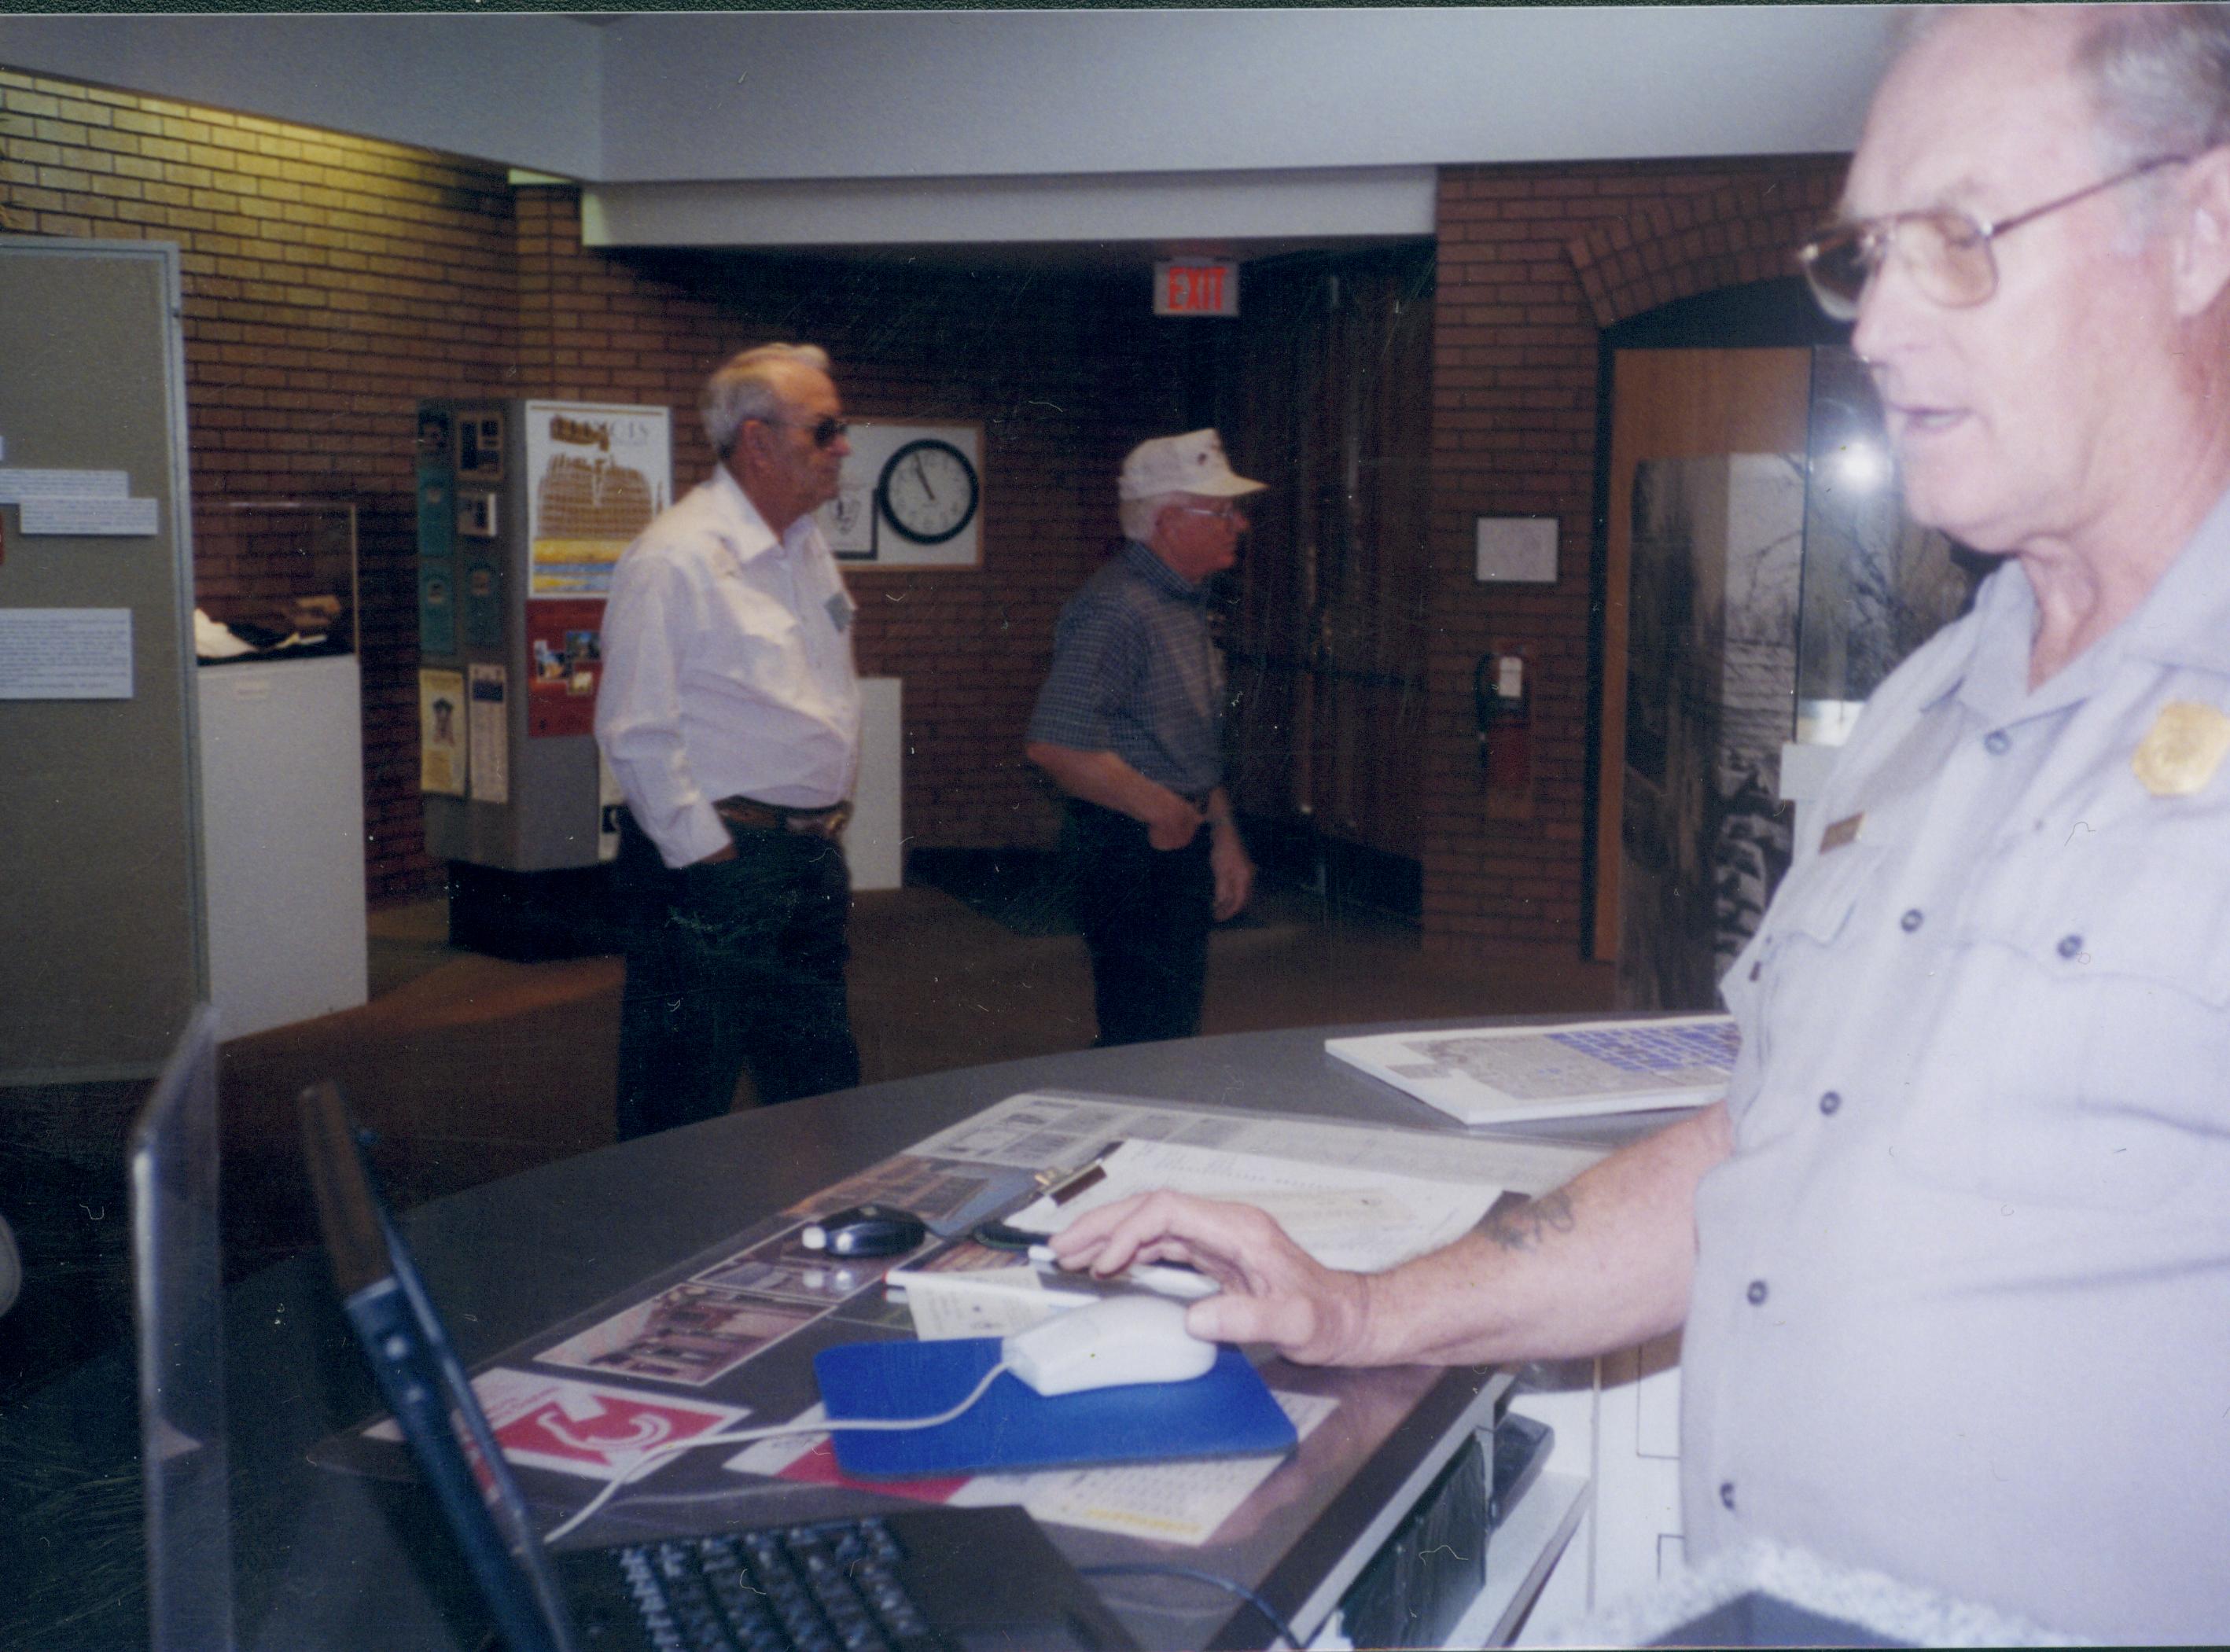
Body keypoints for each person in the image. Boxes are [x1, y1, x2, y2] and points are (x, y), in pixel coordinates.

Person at [1053, 7, 2230, 1639]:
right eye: (1863, 257)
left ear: (2197, 231)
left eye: (1954, 241)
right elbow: (1758, 1141)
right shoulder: (1922, 711)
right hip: (1745, 1602)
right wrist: (1359, 1303)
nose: (1877, 330)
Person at [596, 344, 864, 1142]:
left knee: (820, 1093)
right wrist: (711, 860)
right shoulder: (675, 557)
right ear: (757, 441)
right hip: (719, 866)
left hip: (804, 861)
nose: (842, 447)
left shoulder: (805, 546)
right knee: (679, 1101)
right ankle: (651, 1259)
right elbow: (634, 728)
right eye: (825, 430)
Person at [1025, 431, 1265, 1046]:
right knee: (1143, 1031)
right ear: (1168, 521)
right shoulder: (1116, 608)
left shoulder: (1183, 600)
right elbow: (1056, 742)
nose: (1238, 524)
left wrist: (1222, 835)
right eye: (1223, 512)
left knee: (1169, 1024)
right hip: (1130, 844)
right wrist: (1164, 811)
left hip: (1175, 833)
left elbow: (1185, 743)